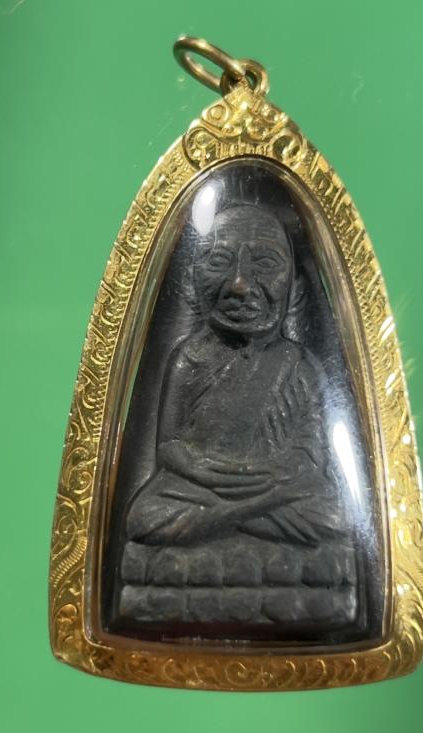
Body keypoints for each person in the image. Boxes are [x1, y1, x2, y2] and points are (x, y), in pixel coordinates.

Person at [124, 204, 346, 550]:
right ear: (192, 280)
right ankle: (241, 517)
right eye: (218, 261)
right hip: (200, 487)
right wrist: (204, 472)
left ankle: (225, 519)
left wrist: (272, 475)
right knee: (144, 514)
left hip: (273, 489)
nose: (240, 285)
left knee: (334, 515)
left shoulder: (299, 364)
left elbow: (311, 455)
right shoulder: (189, 359)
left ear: (294, 287)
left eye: (265, 263)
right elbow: (169, 447)